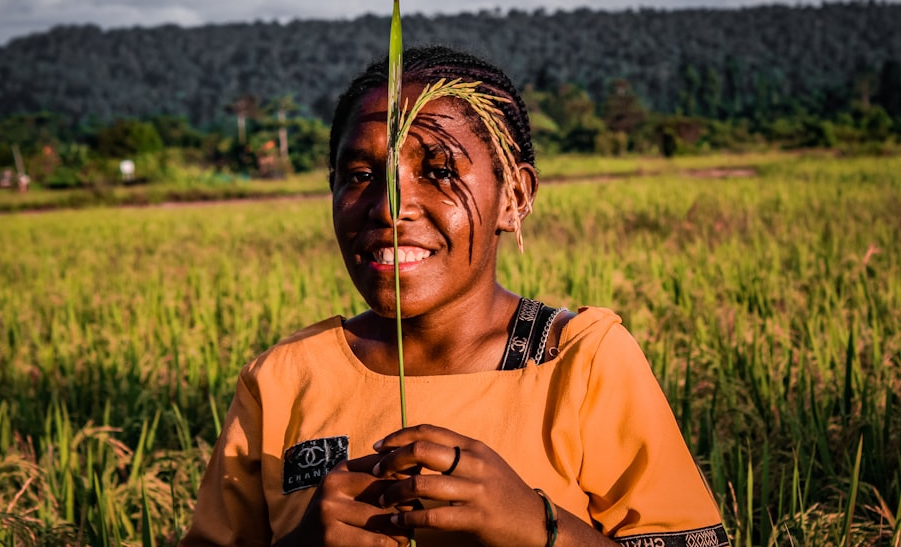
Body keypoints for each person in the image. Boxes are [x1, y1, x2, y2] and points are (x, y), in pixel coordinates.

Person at [180, 46, 729, 547]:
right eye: (361, 174)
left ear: (513, 196)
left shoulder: (576, 361)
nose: (391, 209)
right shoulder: (282, 381)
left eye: (439, 171)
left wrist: (538, 527)